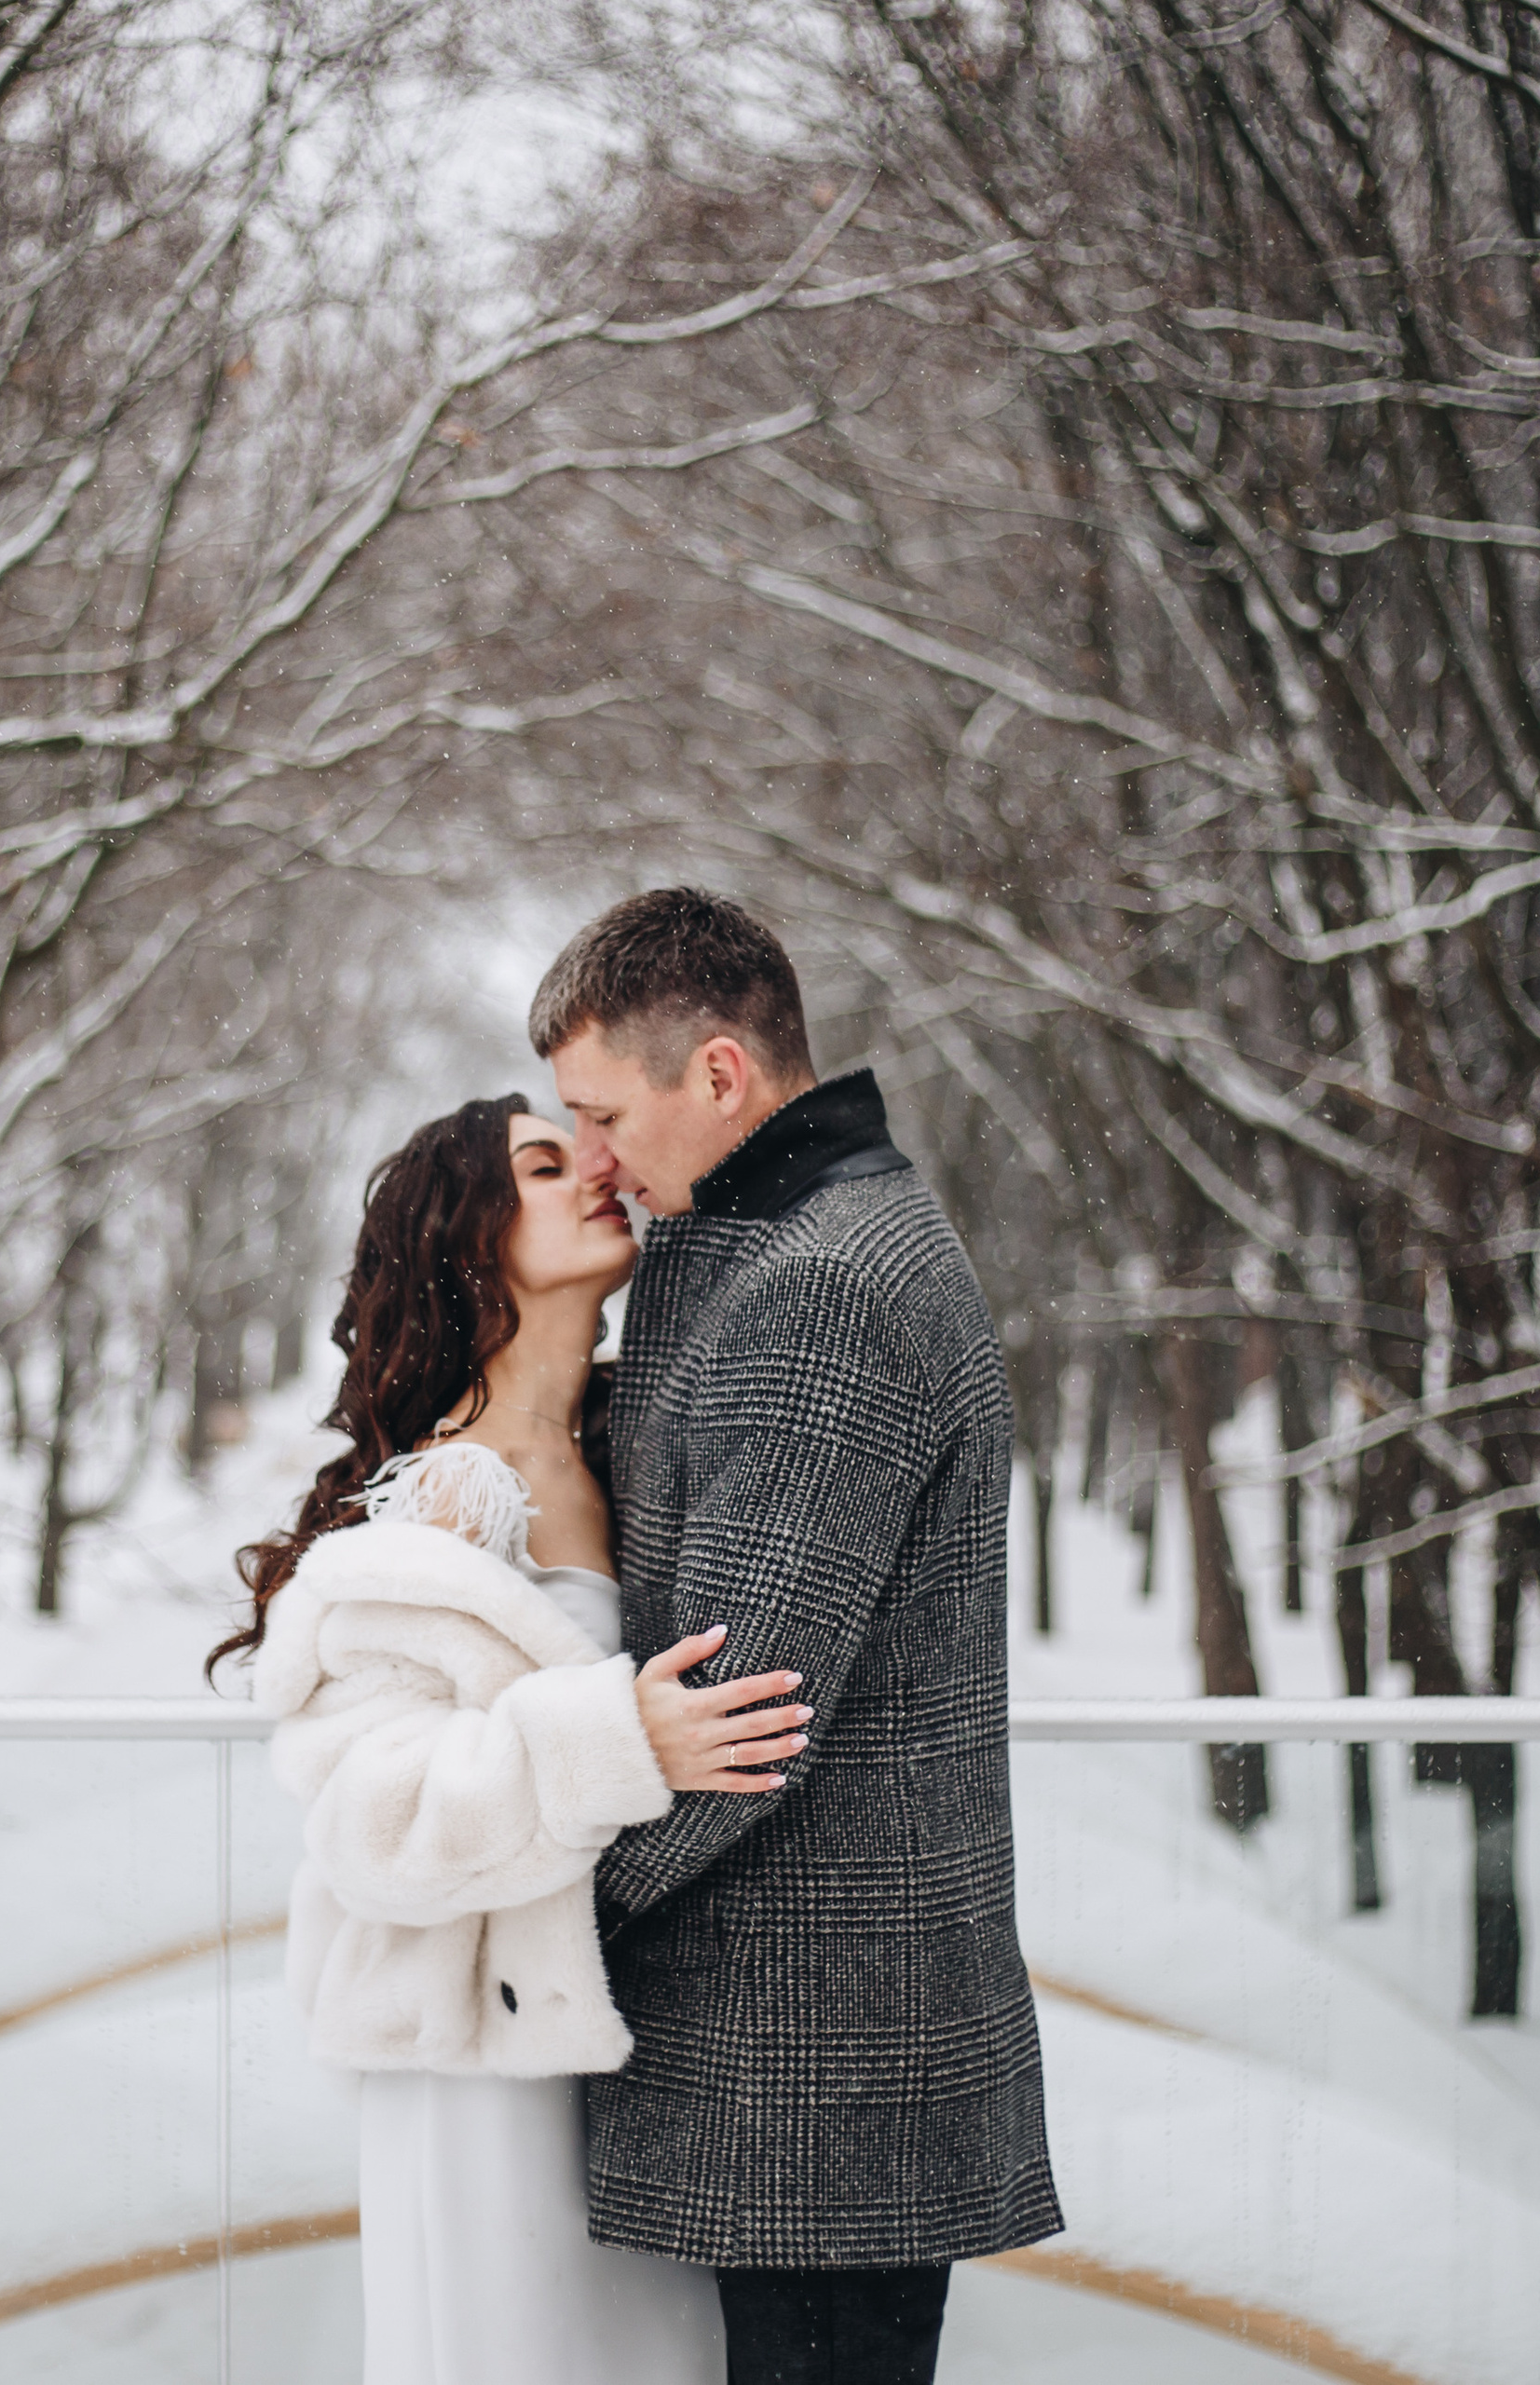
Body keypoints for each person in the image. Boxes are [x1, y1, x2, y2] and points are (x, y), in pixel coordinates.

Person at [529, 887, 1063, 2385]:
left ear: (717, 1073)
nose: (598, 1163)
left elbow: (734, 1720)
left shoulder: (818, 1293)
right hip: (828, 2062)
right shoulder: (812, 1244)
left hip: (817, 2070)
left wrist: (535, 1910)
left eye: (604, 1115)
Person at [222, 1096, 801, 2385]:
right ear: (469, 1243)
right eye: (546, 1165)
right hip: (484, 2068)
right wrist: (620, 1738)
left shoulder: (618, 1447)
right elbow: (378, 1823)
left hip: (616, 2031)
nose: (594, 1169)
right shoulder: (446, 1495)